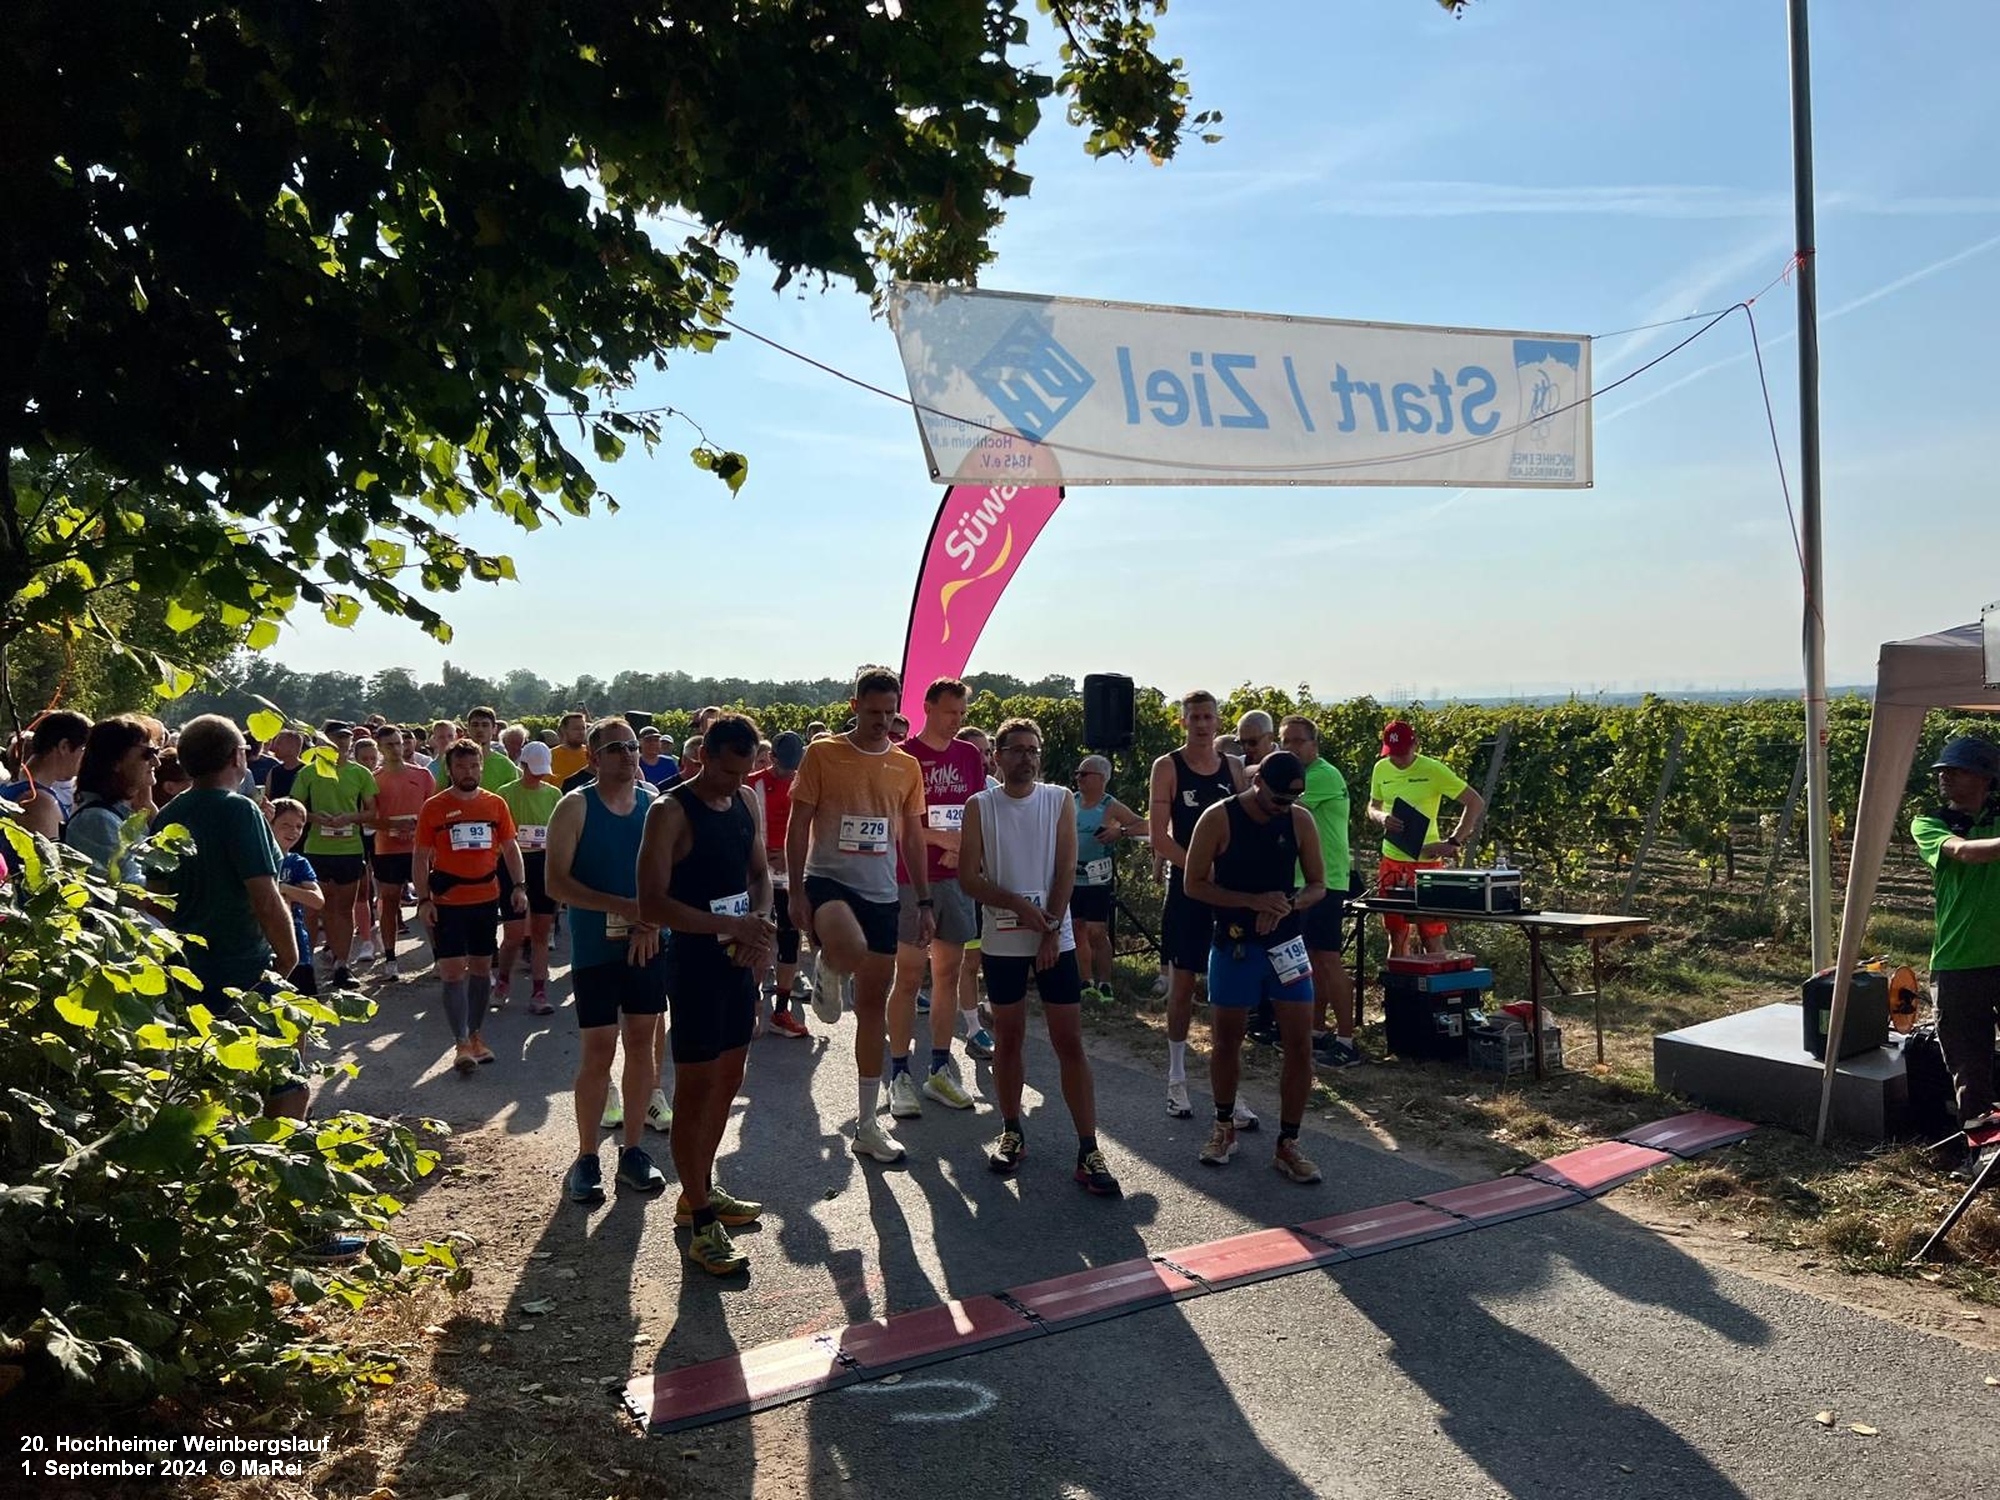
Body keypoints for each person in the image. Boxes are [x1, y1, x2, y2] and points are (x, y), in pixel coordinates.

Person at [957, 717, 1121, 1195]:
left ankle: (1088, 1148)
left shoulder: (1058, 799)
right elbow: (969, 878)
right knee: (1009, 1038)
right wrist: (1017, 906)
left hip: (1056, 937)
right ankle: (1012, 1131)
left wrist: (1050, 928)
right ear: (998, 756)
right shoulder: (980, 806)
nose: (1026, 758)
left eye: (1033, 750)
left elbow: (1066, 867)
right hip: (1003, 940)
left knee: (1069, 1040)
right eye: (1016, 749)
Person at [637, 713, 777, 1273]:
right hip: (694, 964)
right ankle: (699, 1221)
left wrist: (758, 924)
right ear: (704, 757)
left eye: (745, 772)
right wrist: (730, 928)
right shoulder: (669, 811)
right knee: (695, 1091)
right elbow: (651, 902)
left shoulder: (745, 800)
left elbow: (760, 875)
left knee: (729, 1080)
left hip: (739, 959)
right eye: (727, 772)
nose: (735, 782)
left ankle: (700, 1186)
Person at [787, 666, 931, 1164]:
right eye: (873, 711)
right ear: (854, 706)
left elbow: (912, 836)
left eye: (890, 712)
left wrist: (925, 901)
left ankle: (868, 1124)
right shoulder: (823, 753)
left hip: (882, 894)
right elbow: (798, 822)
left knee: (872, 1011)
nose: (881, 721)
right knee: (848, 946)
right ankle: (828, 965)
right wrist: (795, 890)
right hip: (828, 878)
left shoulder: (906, 766)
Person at [1183, 751, 1327, 1183]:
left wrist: (1287, 904)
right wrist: (1251, 902)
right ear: (1257, 781)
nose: (1283, 807)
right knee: (1227, 1040)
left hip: (1286, 944)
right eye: (1277, 799)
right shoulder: (1218, 817)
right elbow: (1193, 884)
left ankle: (1288, 1143)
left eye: (1291, 800)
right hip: (1235, 944)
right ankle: (1224, 1125)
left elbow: (1318, 885)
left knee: (1300, 1043)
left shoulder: (1300, 820)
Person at [544, 717, 673, 1203]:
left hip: (647, 942)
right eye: (616, 748)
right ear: (593, 758)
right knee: (598, 1049)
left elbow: (669, 876)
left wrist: (650, 921)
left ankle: (634, 1151)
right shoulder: (575, 806)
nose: (628, 754)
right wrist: (622, 907)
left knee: (642, 1044)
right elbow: (556, 883)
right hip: (596, 947)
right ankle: (587, 1156)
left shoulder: (653, 805)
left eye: (633, 746)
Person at [152, 716, 306, 1119]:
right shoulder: (239, 810)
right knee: (288, 1082)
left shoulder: (167, 815)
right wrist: (288, 957)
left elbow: (155, 899)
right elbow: (265, 896)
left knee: (208, 1081)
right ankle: (280, 1154)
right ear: (237, 756)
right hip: (243, 964)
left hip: (188, 968)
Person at [1148, 689, 1253, 1124]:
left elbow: (1247, 825)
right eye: (1195, 717)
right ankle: (1176, 1080)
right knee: (1184, 985)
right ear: (1183, 722)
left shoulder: (1234, 768)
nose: (1203, 724)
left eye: (1209, 717)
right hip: (1188, 890)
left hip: (1226, 892)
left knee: (1230, 991)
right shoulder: (1167, 766)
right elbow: (1160, 837)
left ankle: (1231, 1091)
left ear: (1218, 721)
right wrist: (1198, 867)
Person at [885, 677, 986, 1119]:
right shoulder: (902, 756)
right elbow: (892, 821)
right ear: (927, 708)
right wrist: (938, 837)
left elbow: (977, 810)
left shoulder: (968, 755)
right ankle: (899, 1073)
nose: (956, 721)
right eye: (949, 712)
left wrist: (963, 848)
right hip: (911, 879)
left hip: (956, 879)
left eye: (962, 714)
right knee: (909, 976)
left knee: (948, 973)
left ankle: (940, 1069)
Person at [413, 739, 528, 1074]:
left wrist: (519, 886)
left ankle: (476, 1035)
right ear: (449, 770)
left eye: (474, 766)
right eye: (461, 766)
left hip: (485, 899)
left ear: (482, 767)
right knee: (452, 971)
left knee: (480, 969)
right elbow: (420, 857)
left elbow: (510, 848)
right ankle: (461, 1041)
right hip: (448, 902)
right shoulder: (434, 807)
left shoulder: (495, 804)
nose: (469, 772)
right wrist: (423, 900)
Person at [1911, 735, 2000, 1136]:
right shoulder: (1931, 823)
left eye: (1956, 770)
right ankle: (1981, 1146)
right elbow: (1965, 852)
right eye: (1942, 771)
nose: (1944, 777)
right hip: (1959, 961)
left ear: (1985, 777)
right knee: (1969, 1065)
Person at [1367, 719, 1485, 957]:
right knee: (1396, 936)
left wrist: (1454, 841)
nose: (1398, 760)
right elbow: (1372, 806)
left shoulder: (1433, 770)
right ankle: (1399, 980)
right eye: (1392, 754)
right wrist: (1381, 817)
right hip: (1392, 861)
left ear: (1416, 744)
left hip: (1426, 863)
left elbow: (1475, 802)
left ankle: (1436, 980)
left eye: (1402, 753)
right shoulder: (1381, 768)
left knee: (1431, 937)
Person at [1280, 715, 1360, 1066]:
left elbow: (1281, 803)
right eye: (1285, 741)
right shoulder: (1305, 773)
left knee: (1328, 959)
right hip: (1307, 878)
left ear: (1314, 744)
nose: (1290, 748)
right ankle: (1315, 1031)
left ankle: (1347, 1041)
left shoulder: (1321, 775)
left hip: (1325, 880)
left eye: (1298, 741)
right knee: (1311, 959)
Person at [294, 721, 377, 987]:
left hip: (349, 849)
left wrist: (349, 818)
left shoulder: (360, 773)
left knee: (342, 909)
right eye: (336, 740)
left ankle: (342, 965)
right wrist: (316, 817)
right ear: (323, 743)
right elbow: (296, 808)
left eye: (346, 740)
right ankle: (305, 967)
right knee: (313, 909)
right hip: (317, 849)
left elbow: (372, 811)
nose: (341, 745)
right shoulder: (309, 772)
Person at [746, 730, 811, 1038]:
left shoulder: (806, 783)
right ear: (771, 758)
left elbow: (816, 827)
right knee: (756, 938)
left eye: (795, 765)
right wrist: (759, 858)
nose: (790, 772)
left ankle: (781, 1011)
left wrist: (792, 856)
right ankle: (750, 1002)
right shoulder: (750, 783)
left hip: (789, 874)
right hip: (755, 874)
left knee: (789, 938)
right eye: (785, 766)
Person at [1071, 754, 1148, 1002]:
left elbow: (1146, 825)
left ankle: (1105, 983)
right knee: (1077, 930)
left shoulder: (1110, 805)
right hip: (1072, 877)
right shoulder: (1070, 801)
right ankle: (1085, 981)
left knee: (1096, 931)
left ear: (1101, 778)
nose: (1079, 778)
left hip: (1097, 879)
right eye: (1077, 773)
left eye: (1084, 774)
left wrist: (1120, 831)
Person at [498, 740, 564, 1012]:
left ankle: (539, 991)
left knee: (541, 932)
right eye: (533, 770)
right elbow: (499, 834)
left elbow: (559, 832)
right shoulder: (505, 794)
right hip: (512, 864)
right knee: (513, 935)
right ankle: (502, 981)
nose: (538, 776)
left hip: (543, 865)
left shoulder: (554, 794)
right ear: (522, 765)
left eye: (542, 771)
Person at [368, 724, 433, 977]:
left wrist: (418, 827)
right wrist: (394, 826)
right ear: (380, 748)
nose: (397, 749)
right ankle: (390, 957)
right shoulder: (373, 779)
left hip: (420, 848)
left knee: (429, 899)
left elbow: (434, 810)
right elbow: (368, 819)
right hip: (387, 849)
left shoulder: (423, 775)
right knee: (390, 900)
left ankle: (439, 954)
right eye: (390, 745)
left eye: (399, 743)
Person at [63, 717, 158, 883]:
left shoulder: (121, 812)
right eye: (148, 754)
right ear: (115, 761)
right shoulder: (97, 820)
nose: (156, 762)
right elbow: (127, 887)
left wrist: (147, 805)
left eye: (156, 752)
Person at [268, 797, 326, 997]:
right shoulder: (259, 859)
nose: (293, 832)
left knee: (305, 1006)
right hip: (265, 947)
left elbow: (317, 900)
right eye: (285, 825)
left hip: (297, 946)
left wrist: (283, 888)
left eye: (299, 826)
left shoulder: (298, 863)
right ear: (270, 825)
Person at [3, 709, 91, 839]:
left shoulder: (11, 784)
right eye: (84, 750)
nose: (89, 758)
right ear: (64, 746)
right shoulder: (39, 803)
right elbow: (46, 852)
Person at [433, 706, 518, 792]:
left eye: (485, 725)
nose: (480, 729)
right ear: (468, 728)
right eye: (475, 725)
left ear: (494, 729)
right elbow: (439, 794)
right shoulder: (452, 760)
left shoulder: (506, 766)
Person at [263, 729, 308, 801]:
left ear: (293, 747)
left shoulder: (306, 771)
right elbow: (267, 797)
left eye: (279, 744)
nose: (274, 747)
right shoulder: (274, 771)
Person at [550, 711, 592, 785]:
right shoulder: (550, 756)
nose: (581, 732)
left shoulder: (592, 755)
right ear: (564, 730)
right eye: (576, 729)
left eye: (583, 728)